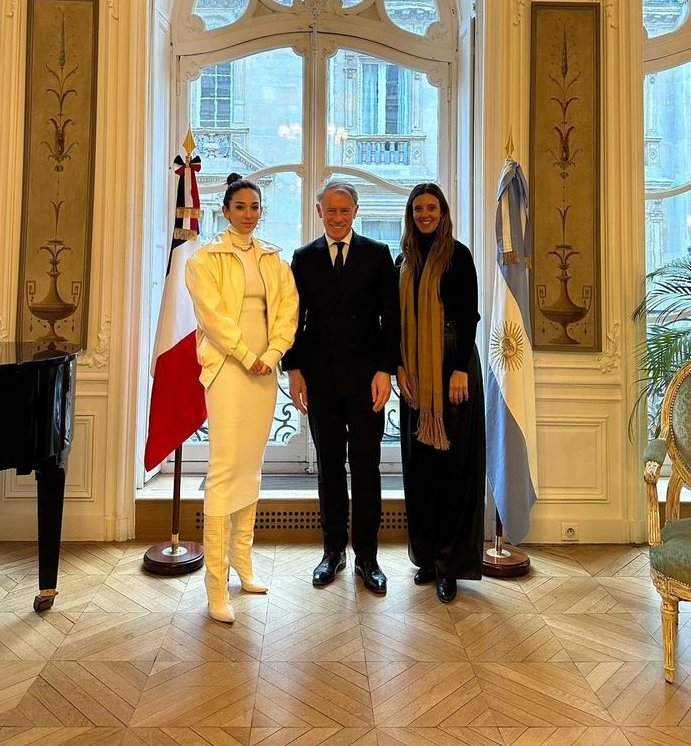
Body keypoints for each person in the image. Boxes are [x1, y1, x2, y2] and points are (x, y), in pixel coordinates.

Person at [185, 173, 299, 623]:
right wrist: (246, 354)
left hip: (264, 371)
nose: (248, 214)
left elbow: (288, 309)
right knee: (224, 469)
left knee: (251, 468)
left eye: (255, 207)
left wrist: (270, 354)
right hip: (228, 370)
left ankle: (243, 565)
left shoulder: (274, 258)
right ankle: (215, 586)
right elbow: (212, 318)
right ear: (226, 209)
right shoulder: (204, 259)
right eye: (240, 207)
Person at [283, 179, 400, 595]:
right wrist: (293, 368)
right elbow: (293, 320)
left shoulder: (377, 254)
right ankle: (332, 551)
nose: (337, 218)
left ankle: (367, 557)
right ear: (319, 212)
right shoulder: (303, 257)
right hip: (320, 380)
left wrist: (386, 370)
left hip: (367, 380)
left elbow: (392, 319)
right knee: (329, 467)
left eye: (344, 211)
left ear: (355, 212)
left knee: (366, 468)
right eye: (330, 211)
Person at [396, 182, 485, 603]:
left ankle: (451, 565)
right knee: (421, 473)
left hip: (455, 374)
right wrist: (399, 368)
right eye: (418, 209)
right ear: (411, 215)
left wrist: (458, 371)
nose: (425, 215)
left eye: (432, 208)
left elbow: (469, 314)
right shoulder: (404, 260)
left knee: (454, 473)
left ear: (443, 212)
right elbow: (394, 323)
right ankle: (427, 559)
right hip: (415, 379)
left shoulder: (458, 256)